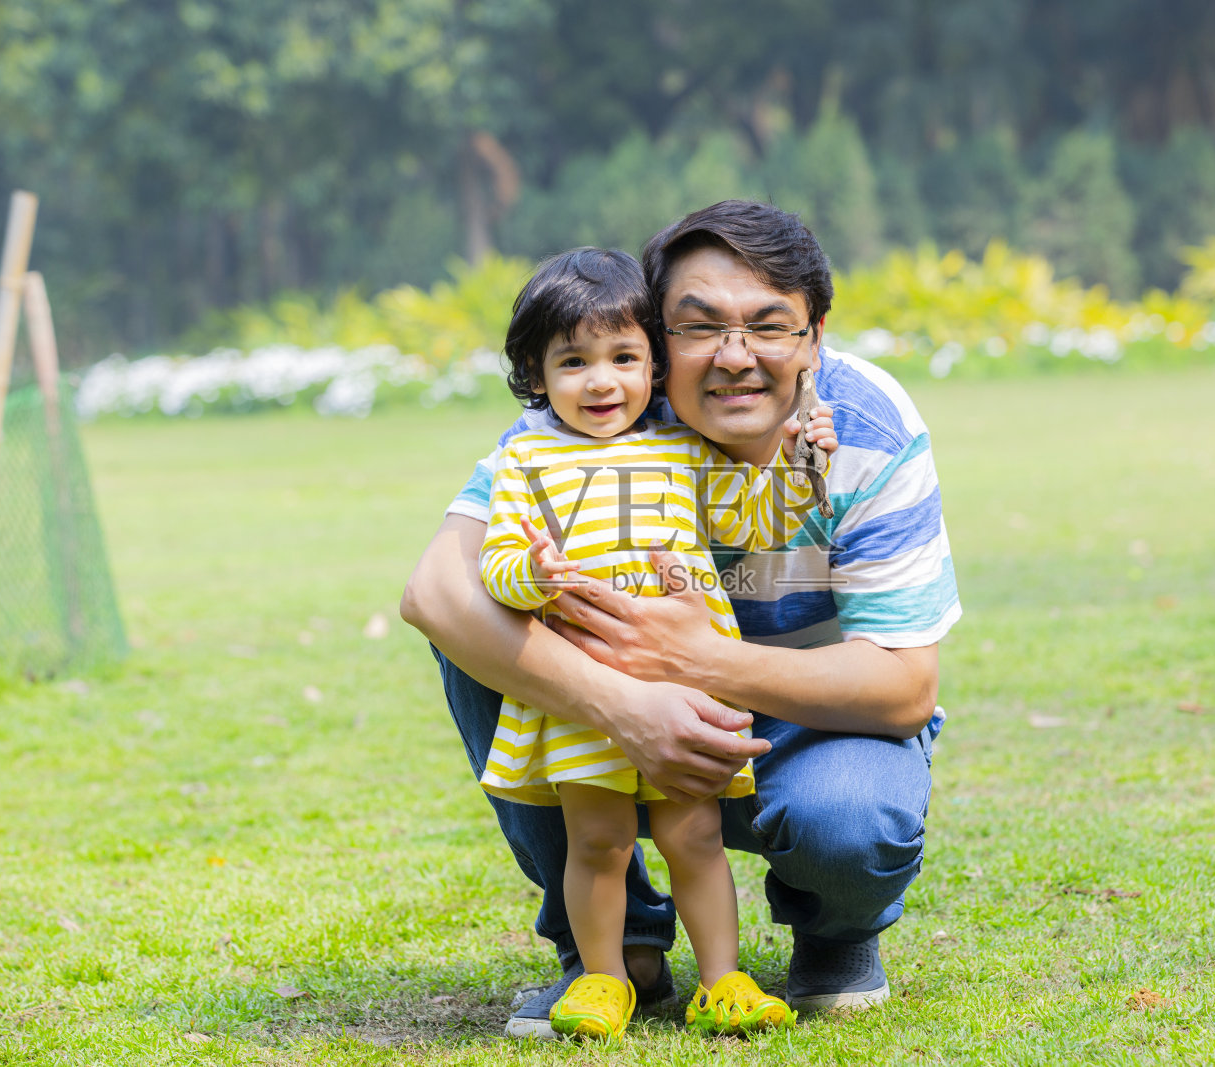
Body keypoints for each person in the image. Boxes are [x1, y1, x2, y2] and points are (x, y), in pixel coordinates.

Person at [402, 200, 960, 1039]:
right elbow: (435, 591)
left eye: (769, 326)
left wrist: (696, 661)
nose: (734, 358)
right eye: (698, 329)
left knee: (850, 818)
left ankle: (833, 936)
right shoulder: (601, 408)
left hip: (811, 720)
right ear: (658, 338)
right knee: (482, 633)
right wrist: (621, 702)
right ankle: (614, 952)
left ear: (815, 337)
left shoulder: (862, 428)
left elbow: (905, 686)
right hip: (614, 722)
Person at [476, 246, 836, 1039]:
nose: (602, 380)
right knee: (598, 838)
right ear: (535, 375)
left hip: (685, 685)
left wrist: (802, 459)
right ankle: (605, 980)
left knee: (694, 833)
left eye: (624, 357)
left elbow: (758, 523)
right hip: (587, 694)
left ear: (653, 362)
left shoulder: (681, 447)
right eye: (574, 361)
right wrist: (533, 574)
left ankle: (724, 978)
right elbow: (494, 568)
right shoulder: (525, 459)